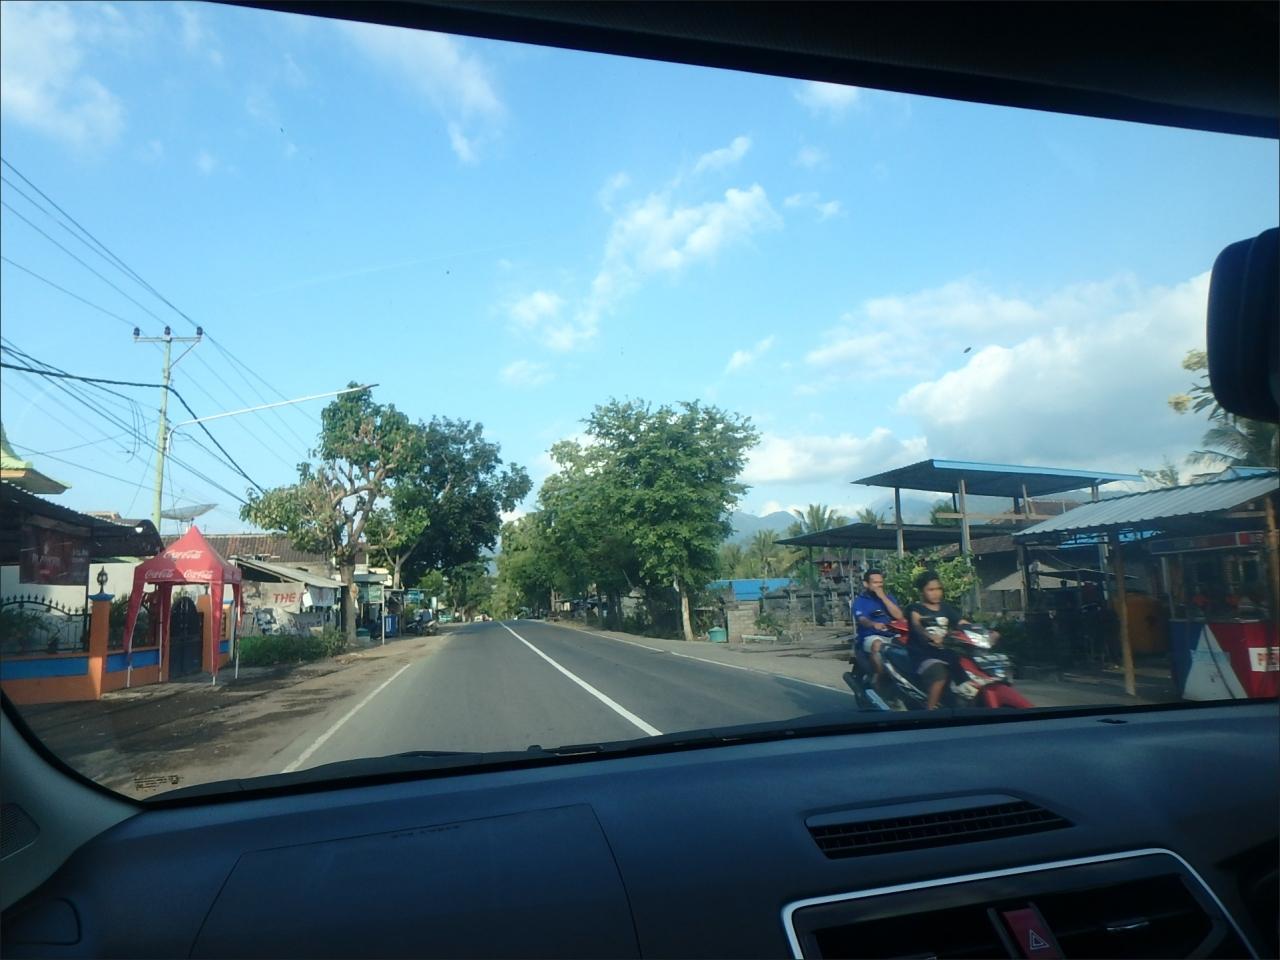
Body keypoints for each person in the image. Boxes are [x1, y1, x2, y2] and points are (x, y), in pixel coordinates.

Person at [905, 570, 995, 709]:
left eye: (938, 589)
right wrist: (929, 636)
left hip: (946, 653)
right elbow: (917, 625)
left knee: (972, 676)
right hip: (923, 655)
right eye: (931, 590)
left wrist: (985, 632)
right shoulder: (915, 609)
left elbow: (962, 623)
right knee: (940, 675)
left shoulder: (946, 608)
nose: (936, 593)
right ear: (922, 591)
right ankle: (929, 712)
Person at [851, 568, 903, 680]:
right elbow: (862, 619)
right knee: (877, 644)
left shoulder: (889, 598)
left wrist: (883, 597)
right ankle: (880, 678)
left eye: (880, 582)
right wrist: (873, 624)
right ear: (866, 584)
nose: (879, 585)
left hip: (892, 634)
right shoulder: (860, 601)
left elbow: (899, 616)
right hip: (871, 636)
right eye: (875, 583)